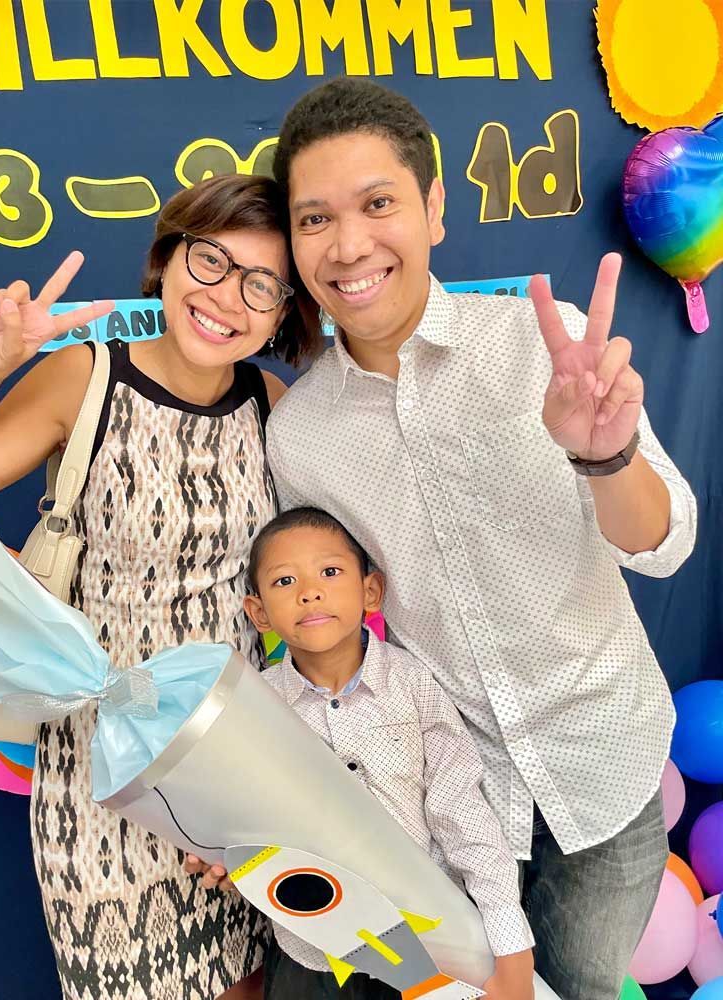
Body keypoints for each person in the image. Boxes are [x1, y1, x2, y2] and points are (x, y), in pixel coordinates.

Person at [263, 78, 697, 1000]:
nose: (348, 246)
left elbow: (664, 545)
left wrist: (608, 457)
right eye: (314, 219)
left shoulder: (549, 346)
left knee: (579, 988)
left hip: (603, 773)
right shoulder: (299, 436)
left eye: (378, 204)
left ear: (434, 209)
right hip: (455, 801)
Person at [0, 174, 320, 1000]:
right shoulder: (85, 379)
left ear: (283, 309)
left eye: (261, 284)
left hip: (230, 767)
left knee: (246, 982)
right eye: (209, 260)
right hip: (98, 784)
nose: (226, 298)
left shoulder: (272, 406)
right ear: (168, 256)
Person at [242, 506, 535, 1000]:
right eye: (285, 580)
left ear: (371, 591)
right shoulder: (257, 705)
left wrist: (511, 949)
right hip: (309, 951)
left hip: (423, 946)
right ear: (259, 612)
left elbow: (461, 811)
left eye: (330, 572)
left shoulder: (415, 685)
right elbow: (242, 808)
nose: (309, 591)